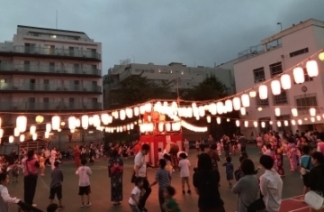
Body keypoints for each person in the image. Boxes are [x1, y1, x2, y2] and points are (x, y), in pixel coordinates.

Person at [134, 143, 151, 212]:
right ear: (143, 150)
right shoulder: (138, 156)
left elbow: (144, 166)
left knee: (147, 190)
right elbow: (136, 167)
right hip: (140, 177)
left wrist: (146, 175)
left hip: (143, 177)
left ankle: (141, 205)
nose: (147, 152)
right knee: (142, 192)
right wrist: (138, 179)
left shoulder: (143, 155)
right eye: (147, 151)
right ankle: (140, 206)